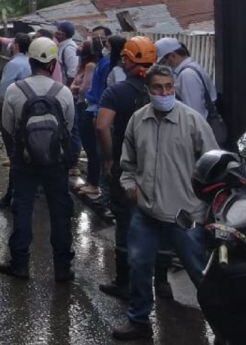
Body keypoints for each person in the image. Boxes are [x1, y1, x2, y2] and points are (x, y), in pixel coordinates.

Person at [111, 65, 218, 341]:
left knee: (200, 271)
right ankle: (138, 320)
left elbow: (212, 166)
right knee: (138, 264)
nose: (165, 92)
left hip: (184, 214)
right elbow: (128, 162)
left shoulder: (193, 122)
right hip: (146, 210)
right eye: (158, 88)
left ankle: (223, 325)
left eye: (169, 87)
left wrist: (204, 207)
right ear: (148, 91)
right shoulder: (138, 120)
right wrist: (130, 186)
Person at [0, 37, 78, 282]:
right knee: (60, 212)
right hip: (56, 162)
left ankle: (19, 263)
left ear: (30, 61)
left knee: (22, 208)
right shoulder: (63, 92)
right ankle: (62, 268)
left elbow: (8, 127)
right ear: (53, 64)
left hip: (24, 160)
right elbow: (69, 126)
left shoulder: (14, 90)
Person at [96, 37, 170, 302]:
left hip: (126, 168)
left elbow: (102, 126)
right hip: (161, 169)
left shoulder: (116, 92)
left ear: (127, 60)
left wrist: (108, 159)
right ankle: (162, 283)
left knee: (126, 223)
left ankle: (125, 282)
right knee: (162, 221)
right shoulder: (164, 91)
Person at [0, 33, 32, 209]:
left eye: (13, 43)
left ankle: (12, 195)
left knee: (14, 155)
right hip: (31, 114)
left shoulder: (14, 64)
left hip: (14, 114)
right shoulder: (31, 62)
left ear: (15, 46)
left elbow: (3, 93)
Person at [155, 38, 218, 122]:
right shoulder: (191, 68)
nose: (164, 65)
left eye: (163, 61)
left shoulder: (187, 75)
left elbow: (194, 114)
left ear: (173, 56)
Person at [71, 38, 102, 198]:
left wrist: (74, 87)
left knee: (90, 147)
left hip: (85, 106)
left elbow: (84, 89)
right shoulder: (82, 65)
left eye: (82, 45)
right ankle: (90, 182)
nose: (78, 47)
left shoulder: (90, 66)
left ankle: (93, 183)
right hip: (81, 104)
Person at [55, 21, 79, 86]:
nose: (55, 33)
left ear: (63, 34)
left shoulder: (69, 49)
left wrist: (67, 88)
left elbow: (72, 73)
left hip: (65, 86)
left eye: (57, 32)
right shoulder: (61, 45)